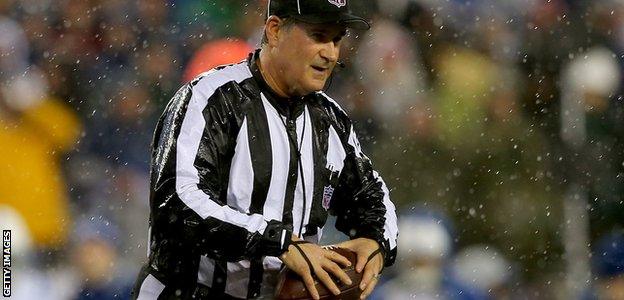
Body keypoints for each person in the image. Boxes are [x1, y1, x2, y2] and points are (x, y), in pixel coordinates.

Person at [132, 0, 398, 299]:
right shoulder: (210, 99)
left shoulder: (331, 120)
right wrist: (278, 242)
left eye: (337, 39)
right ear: (274, 30)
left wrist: (376, 243)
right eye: (319, 36)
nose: (331, 53)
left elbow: (373, 196)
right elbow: (177, 204)